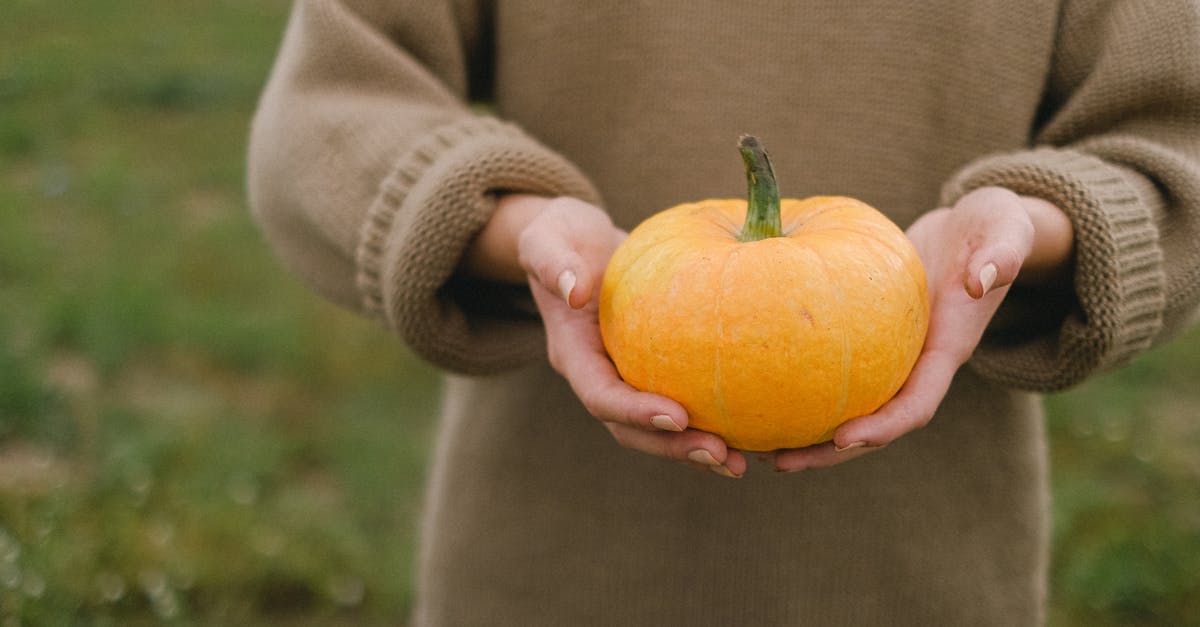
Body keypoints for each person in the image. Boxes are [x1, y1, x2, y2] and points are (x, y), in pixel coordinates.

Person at [247, 1, 1200, 624]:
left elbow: (1175, 139)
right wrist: (509, 225)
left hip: (921, 570)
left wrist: (1034, 231)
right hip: (551, 560)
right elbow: (326, 111)